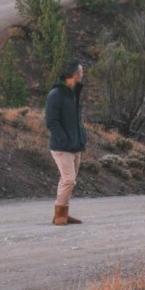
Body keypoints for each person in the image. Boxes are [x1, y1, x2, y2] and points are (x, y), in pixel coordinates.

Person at [45, 60, 88, 226]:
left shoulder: (73, 93)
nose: (83, 74)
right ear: (76, 74)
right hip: (62, 147)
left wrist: (81, 137)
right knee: (68, 180)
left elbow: (76, 120)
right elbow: (51, 121)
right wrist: (63, 140)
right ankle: (60, 216)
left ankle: (63, 212)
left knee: (70, 180)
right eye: (81, 72)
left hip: (76, 145)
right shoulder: (56, 95)